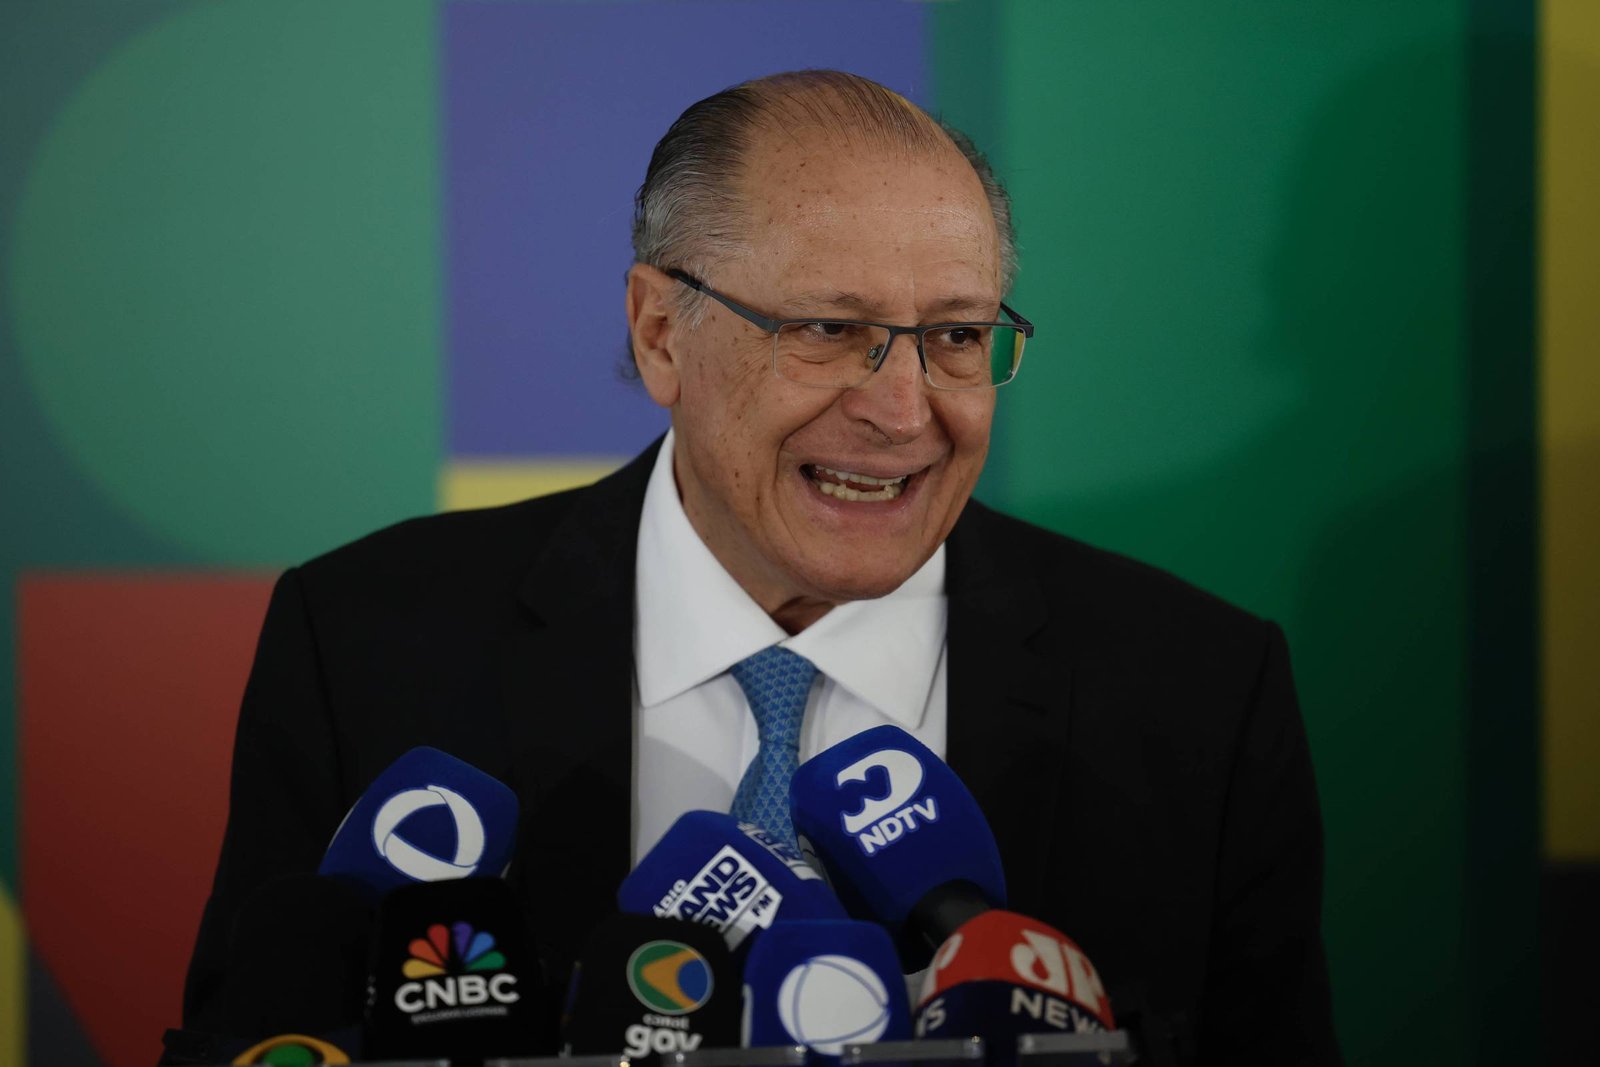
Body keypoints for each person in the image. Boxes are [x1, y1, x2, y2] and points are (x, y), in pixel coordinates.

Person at [183, 70, 1338, 1064]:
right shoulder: (364, 643)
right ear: (659, 334)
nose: (903, 411)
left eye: (954, 336)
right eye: (828, 329)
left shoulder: (1198, 693)